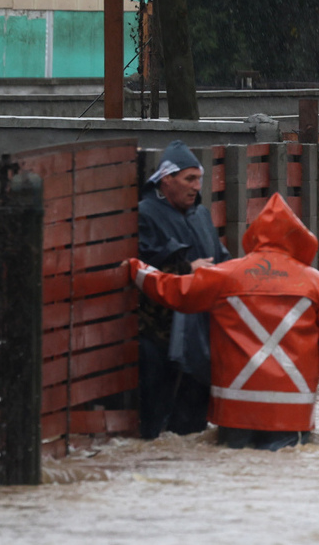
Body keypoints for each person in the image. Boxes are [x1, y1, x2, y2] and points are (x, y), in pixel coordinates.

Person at [126, 193, 319, 450]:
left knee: (237, 474)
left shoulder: (228, 275)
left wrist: (135, 268)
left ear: (255, 235)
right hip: (291, 412)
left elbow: (175, 291)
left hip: (234, 410)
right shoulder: (316, 283)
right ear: (300, 239)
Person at [137, 140, 229, 439]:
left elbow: (222, 258)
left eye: (199, 179)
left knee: (193, 428)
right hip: (160, 337)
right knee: (155, 423)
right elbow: (142, 268)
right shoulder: (145, 215)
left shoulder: (201, 215)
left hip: (202, 336)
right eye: (189, 179)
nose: (195, 186)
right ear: (166, 179)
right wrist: (190, 270)